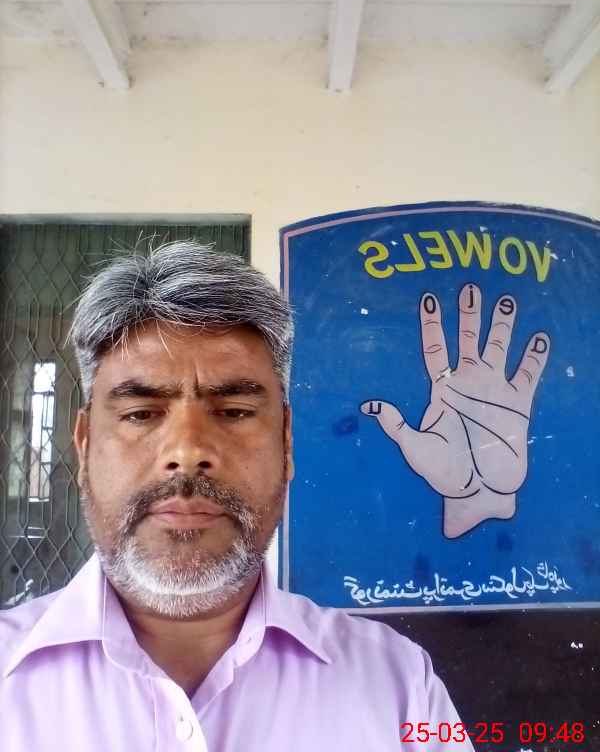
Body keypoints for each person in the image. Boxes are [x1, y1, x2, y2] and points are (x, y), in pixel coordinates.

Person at [0, 241, 474, 752]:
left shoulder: (403, 688)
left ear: (286, 443)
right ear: (84, 444)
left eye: (233, 412)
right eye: (141, 414)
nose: (187, 451)